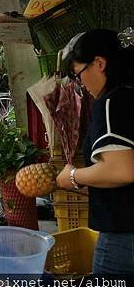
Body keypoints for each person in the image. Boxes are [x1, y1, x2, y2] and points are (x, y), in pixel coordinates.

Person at [56, 29, 134, 274]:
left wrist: (72, 177)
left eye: (79, 75)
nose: (81, 84)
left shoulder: (111, 103)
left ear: (99, 63)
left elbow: (121, 170)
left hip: (123, 234)